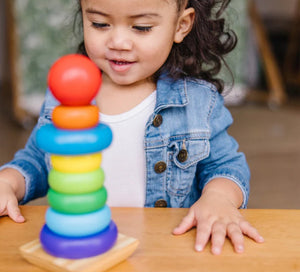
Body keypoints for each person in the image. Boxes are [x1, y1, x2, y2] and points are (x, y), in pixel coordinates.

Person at [0, 0, 264, 255]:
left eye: (141, 28)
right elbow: (36, 160)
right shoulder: (65, 97)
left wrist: (219, 198)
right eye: (100, 23)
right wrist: (8, 183)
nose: (118, 43)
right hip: (84, 251)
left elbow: (226, 167)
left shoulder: (197, 102)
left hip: (166, 252)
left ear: (181, 25)